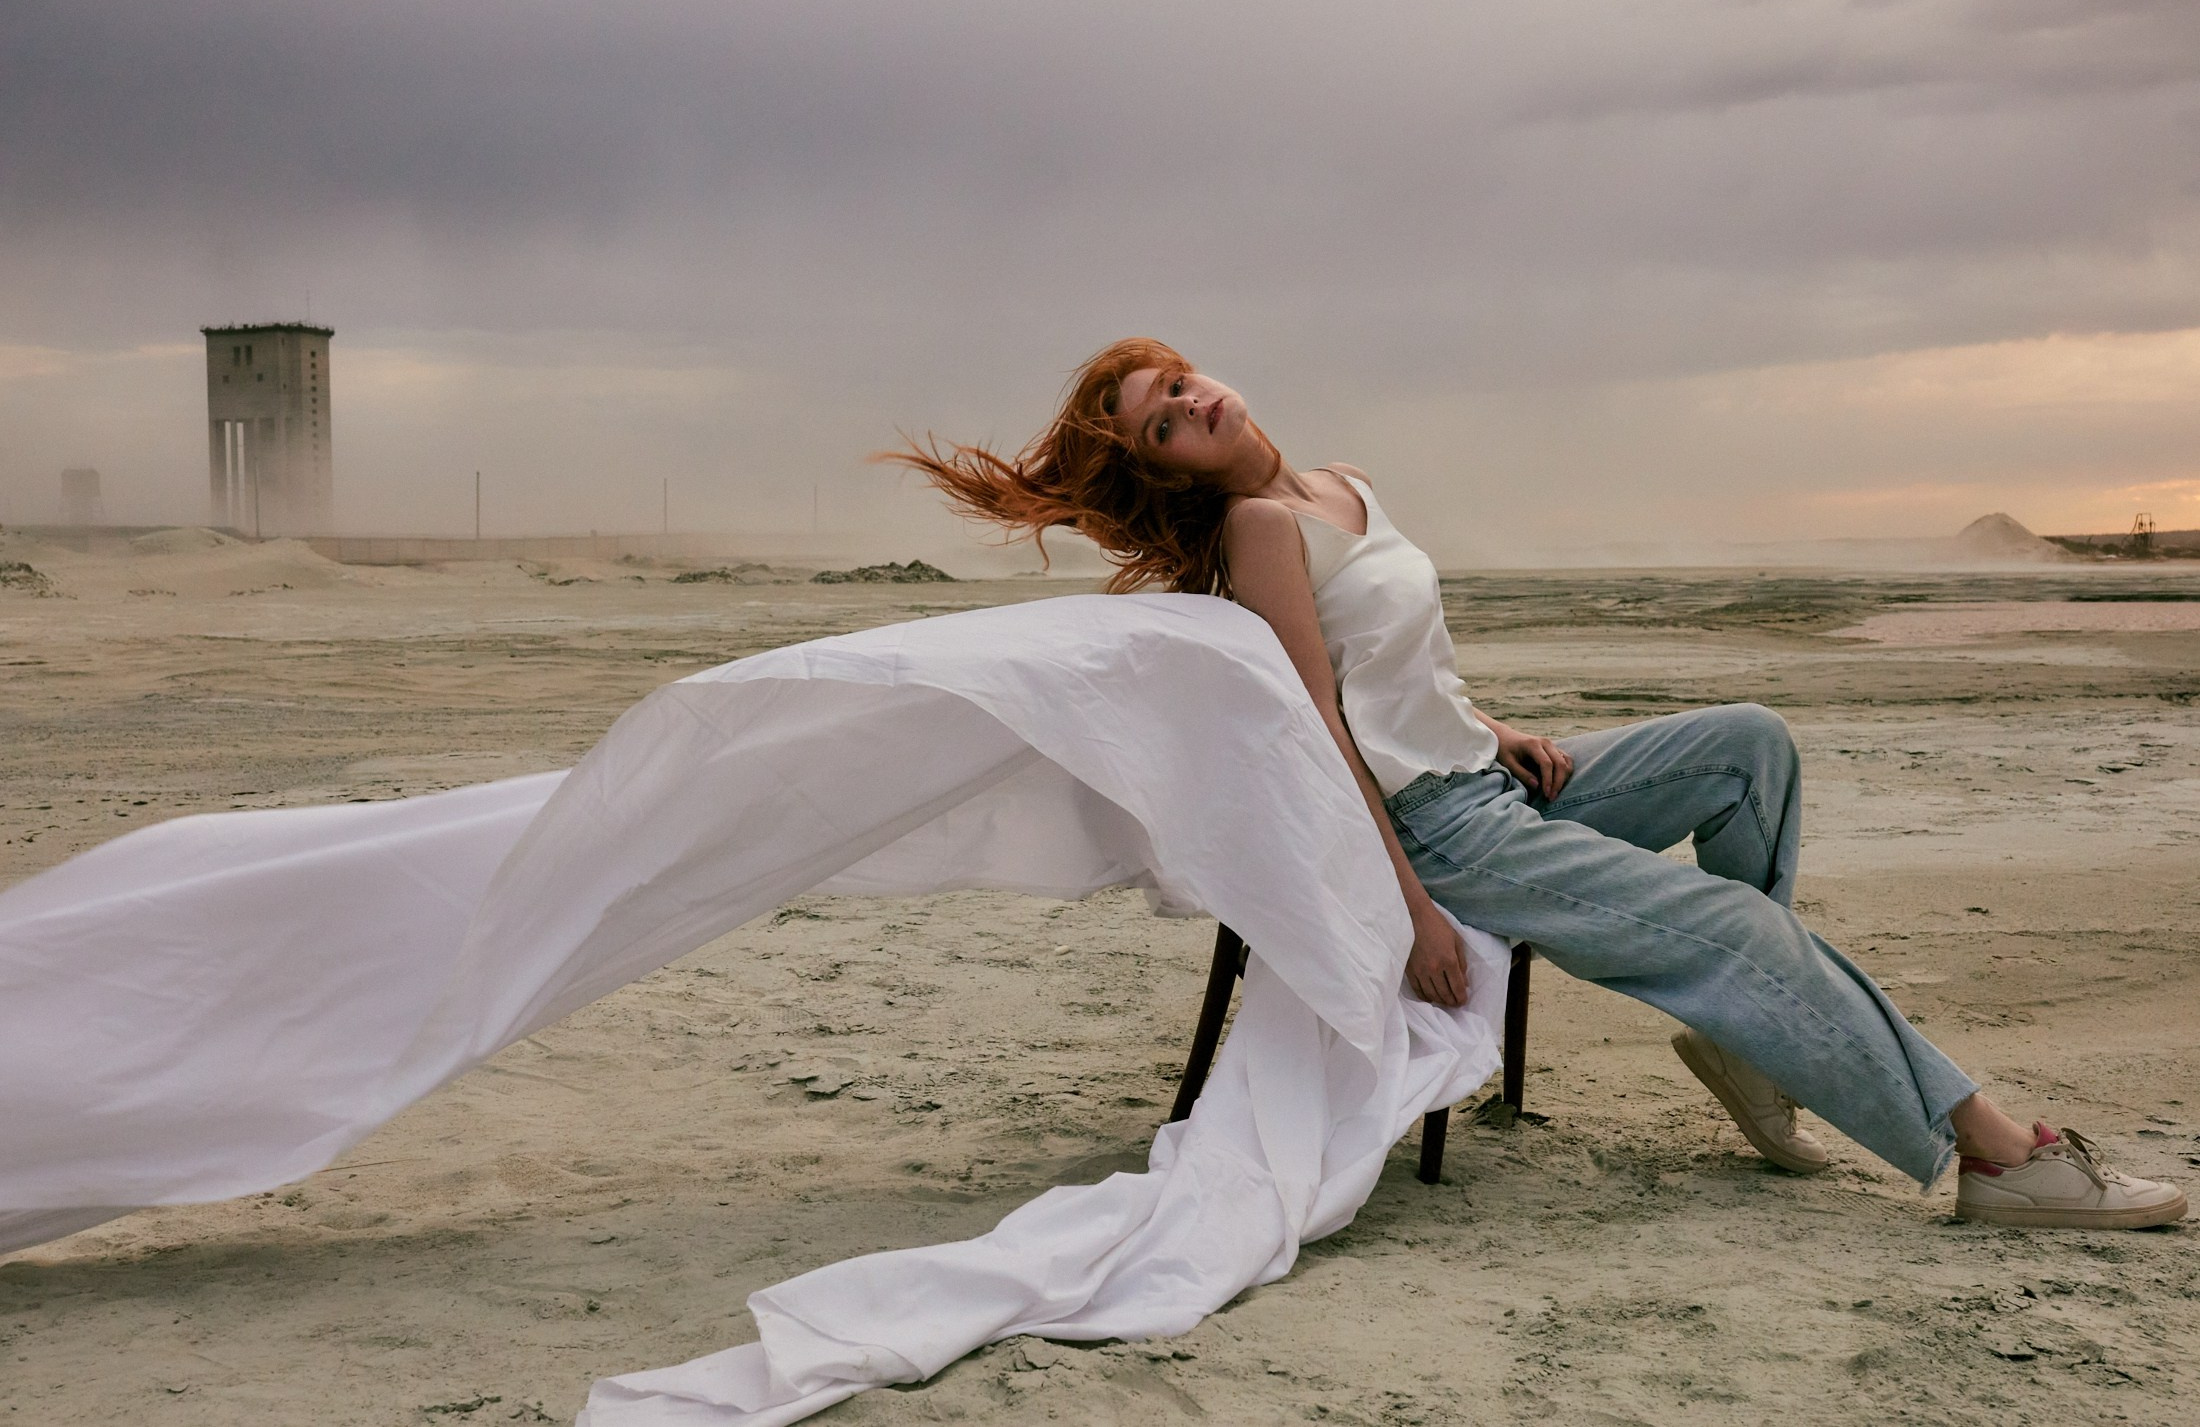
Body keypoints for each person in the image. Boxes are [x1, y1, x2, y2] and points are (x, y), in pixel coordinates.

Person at [889, 336, 2186, 1230]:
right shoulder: (1260, 529)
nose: (1188, 410)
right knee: (1736, 929)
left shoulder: (1345, 486)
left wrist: (1492, 719)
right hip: (1442, 834)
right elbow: (1324, 730)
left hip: (1492, 779)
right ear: (1161, 471)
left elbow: (1399, 661)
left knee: (1750, 747)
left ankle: (1756, 1048)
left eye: (1177, 384)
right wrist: (1408, 909)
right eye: (1160, 426)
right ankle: (2000, 1158)